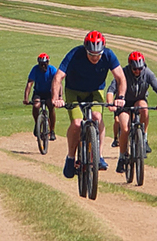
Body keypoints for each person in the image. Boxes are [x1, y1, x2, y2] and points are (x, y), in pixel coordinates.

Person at [52, 30, 127, 178]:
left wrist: (121, 96)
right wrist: (56, 98)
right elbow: (58, 77)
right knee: (77, 123)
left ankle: (98, 156)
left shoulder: (109, 55)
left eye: (98, 54)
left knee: (97, 117)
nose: (95, 57)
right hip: (74, 91)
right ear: (85, 49)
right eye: (91, 54)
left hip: (95, 91)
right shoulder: (75, 54)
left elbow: (121, 78)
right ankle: (71, 158)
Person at [107, 51, 157, 173]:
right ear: (130, 66)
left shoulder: (147, 73)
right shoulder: (123, 73)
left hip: (139, 100)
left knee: (144, 107)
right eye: (134, 69)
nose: (137, 71)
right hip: (124, 104)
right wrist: (110, 103)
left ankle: (143, 137)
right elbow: (111, 89)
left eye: (140, 68)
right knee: (125, 128)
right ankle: (122, 156)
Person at [23, 53, 57, 141]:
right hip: (38, 92)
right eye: (41, 64)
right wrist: (26, 98)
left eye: (44, 64)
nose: (43, 66)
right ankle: (37, 124)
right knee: (36, 105)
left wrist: (59, 96)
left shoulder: (52, 70)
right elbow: (29, 84)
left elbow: (58, 83)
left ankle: (52, 130)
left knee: (51, 106)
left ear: (48, 63)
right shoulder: (35, 69)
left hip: (49, 92)